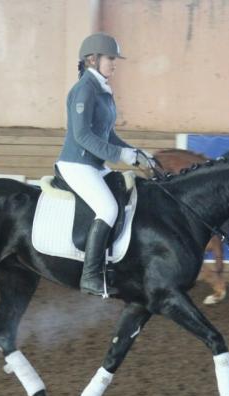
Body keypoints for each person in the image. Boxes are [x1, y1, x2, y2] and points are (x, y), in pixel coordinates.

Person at [56, 32, 151, 297]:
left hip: (95, 166)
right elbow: (82, 136)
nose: (114, 63)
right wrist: (121, 156)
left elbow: (107, 134)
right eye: (110, 58)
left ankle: (115, 264)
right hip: (77, 164)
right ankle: (90, 276)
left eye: (114, 59)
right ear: (92, 59)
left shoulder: (102, 90)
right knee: (108, 208)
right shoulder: (84, 89)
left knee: (127, 196)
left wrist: (134, 152)